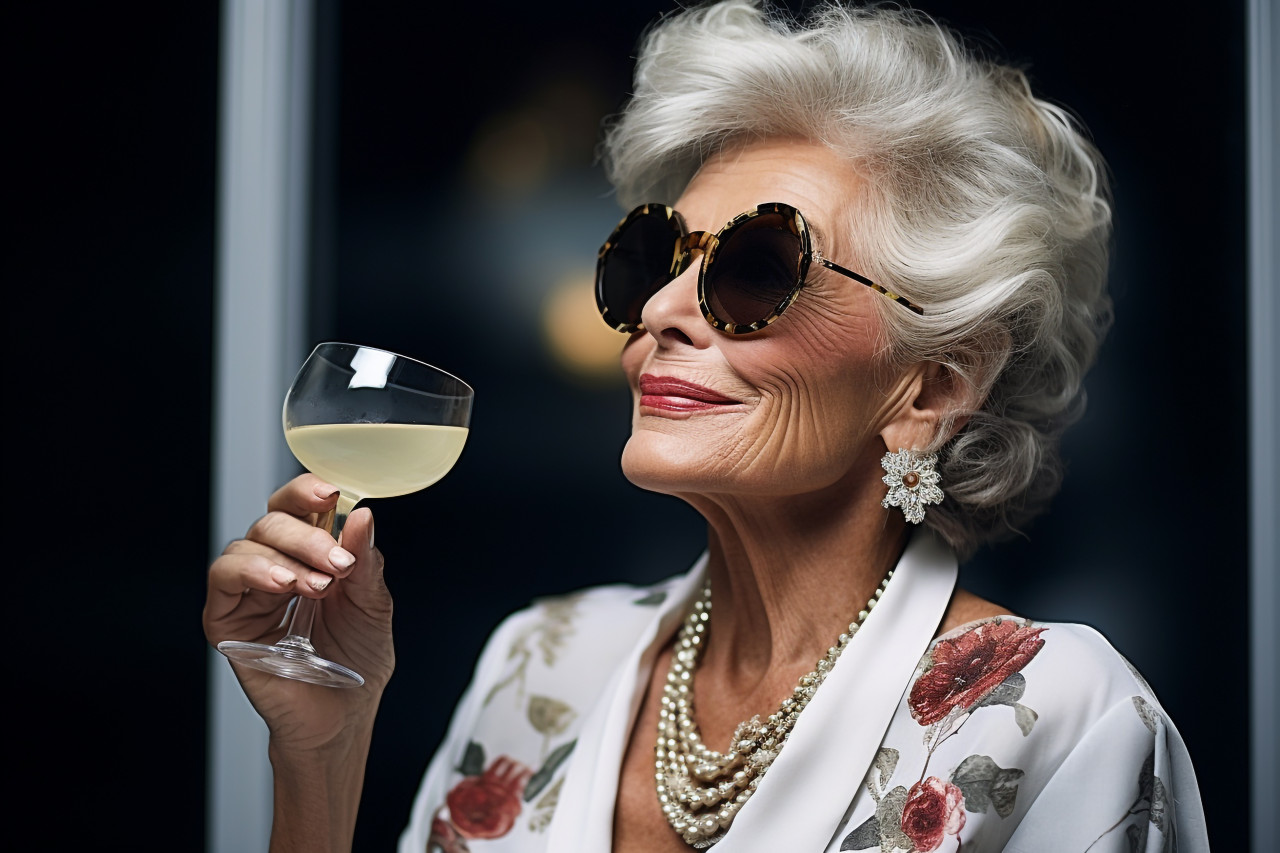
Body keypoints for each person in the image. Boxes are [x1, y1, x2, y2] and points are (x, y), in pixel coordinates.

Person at [204, 2, 1210, 850]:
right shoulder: (542, 658)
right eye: (653, 261)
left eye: (757, 270)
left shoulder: (1054, 713)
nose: (657, 311)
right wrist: (320, 753)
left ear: (930, 387)